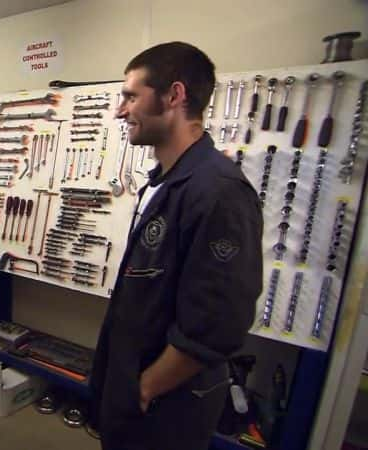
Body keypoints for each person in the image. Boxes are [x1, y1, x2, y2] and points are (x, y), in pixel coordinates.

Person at [90, 42, 263, 450]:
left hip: (167, 406)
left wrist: (145, 388)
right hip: (134, 384)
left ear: (174, 95)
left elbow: (217, 325)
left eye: (131, 96)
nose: (120, 110)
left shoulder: (218, 192)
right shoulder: (166, 180)